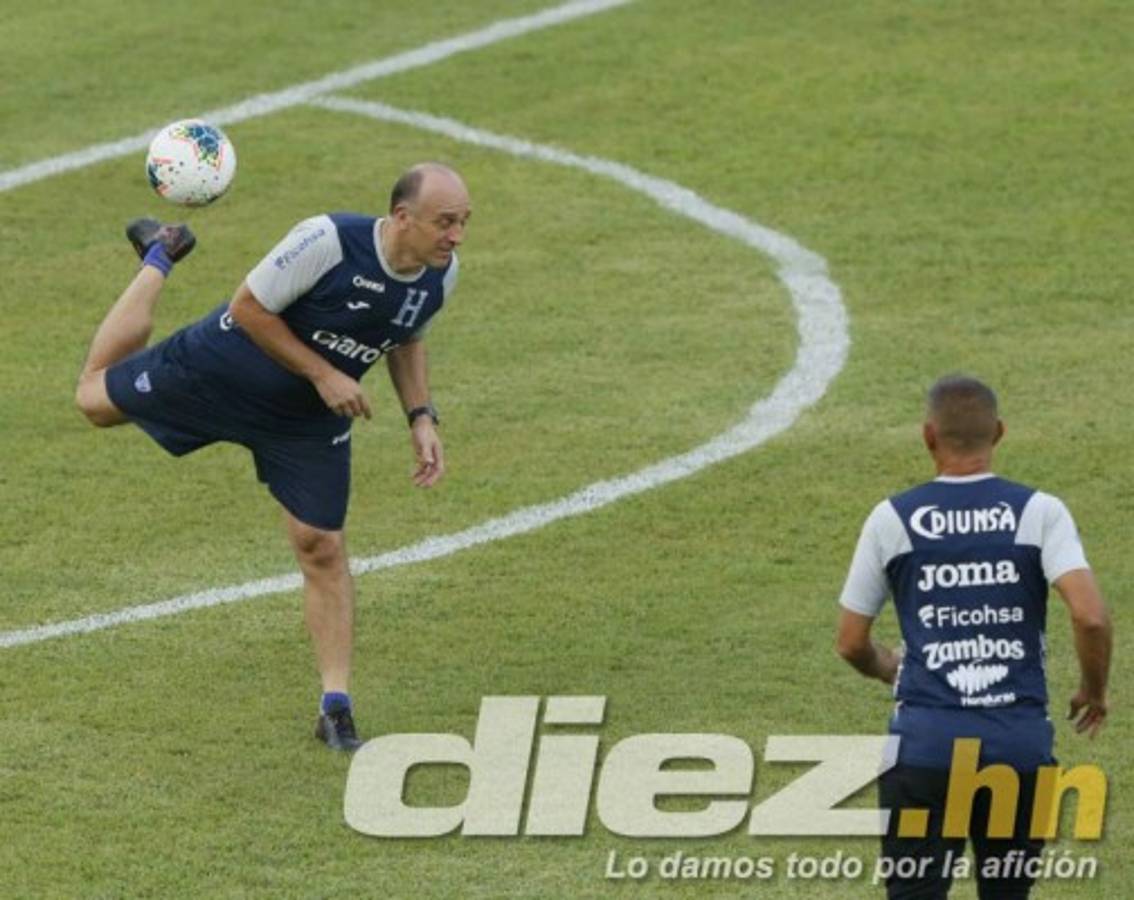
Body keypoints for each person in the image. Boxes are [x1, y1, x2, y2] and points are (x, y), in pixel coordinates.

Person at [74, 162, 472, 751]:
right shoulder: (329, 240)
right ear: (402, 218)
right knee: (93, 401)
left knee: (322, 545)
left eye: (463, 222)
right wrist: (324, 374)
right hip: (219, 371)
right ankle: (160, 254)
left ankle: (335, 708)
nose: (456, 235)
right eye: (445, 222)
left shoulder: (441, 275)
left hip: (305, 424)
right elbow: (251, 308)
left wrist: (421, 417)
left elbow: (406, 337)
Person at [834, 374, 1111, 898]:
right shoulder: (1039, 512)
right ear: (999, 432)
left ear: (928, 436)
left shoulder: (892, 518)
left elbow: (850, 641)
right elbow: (1091, 616)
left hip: (924, 749)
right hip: (1019, 748)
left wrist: (890, 666)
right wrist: (1093, 690)